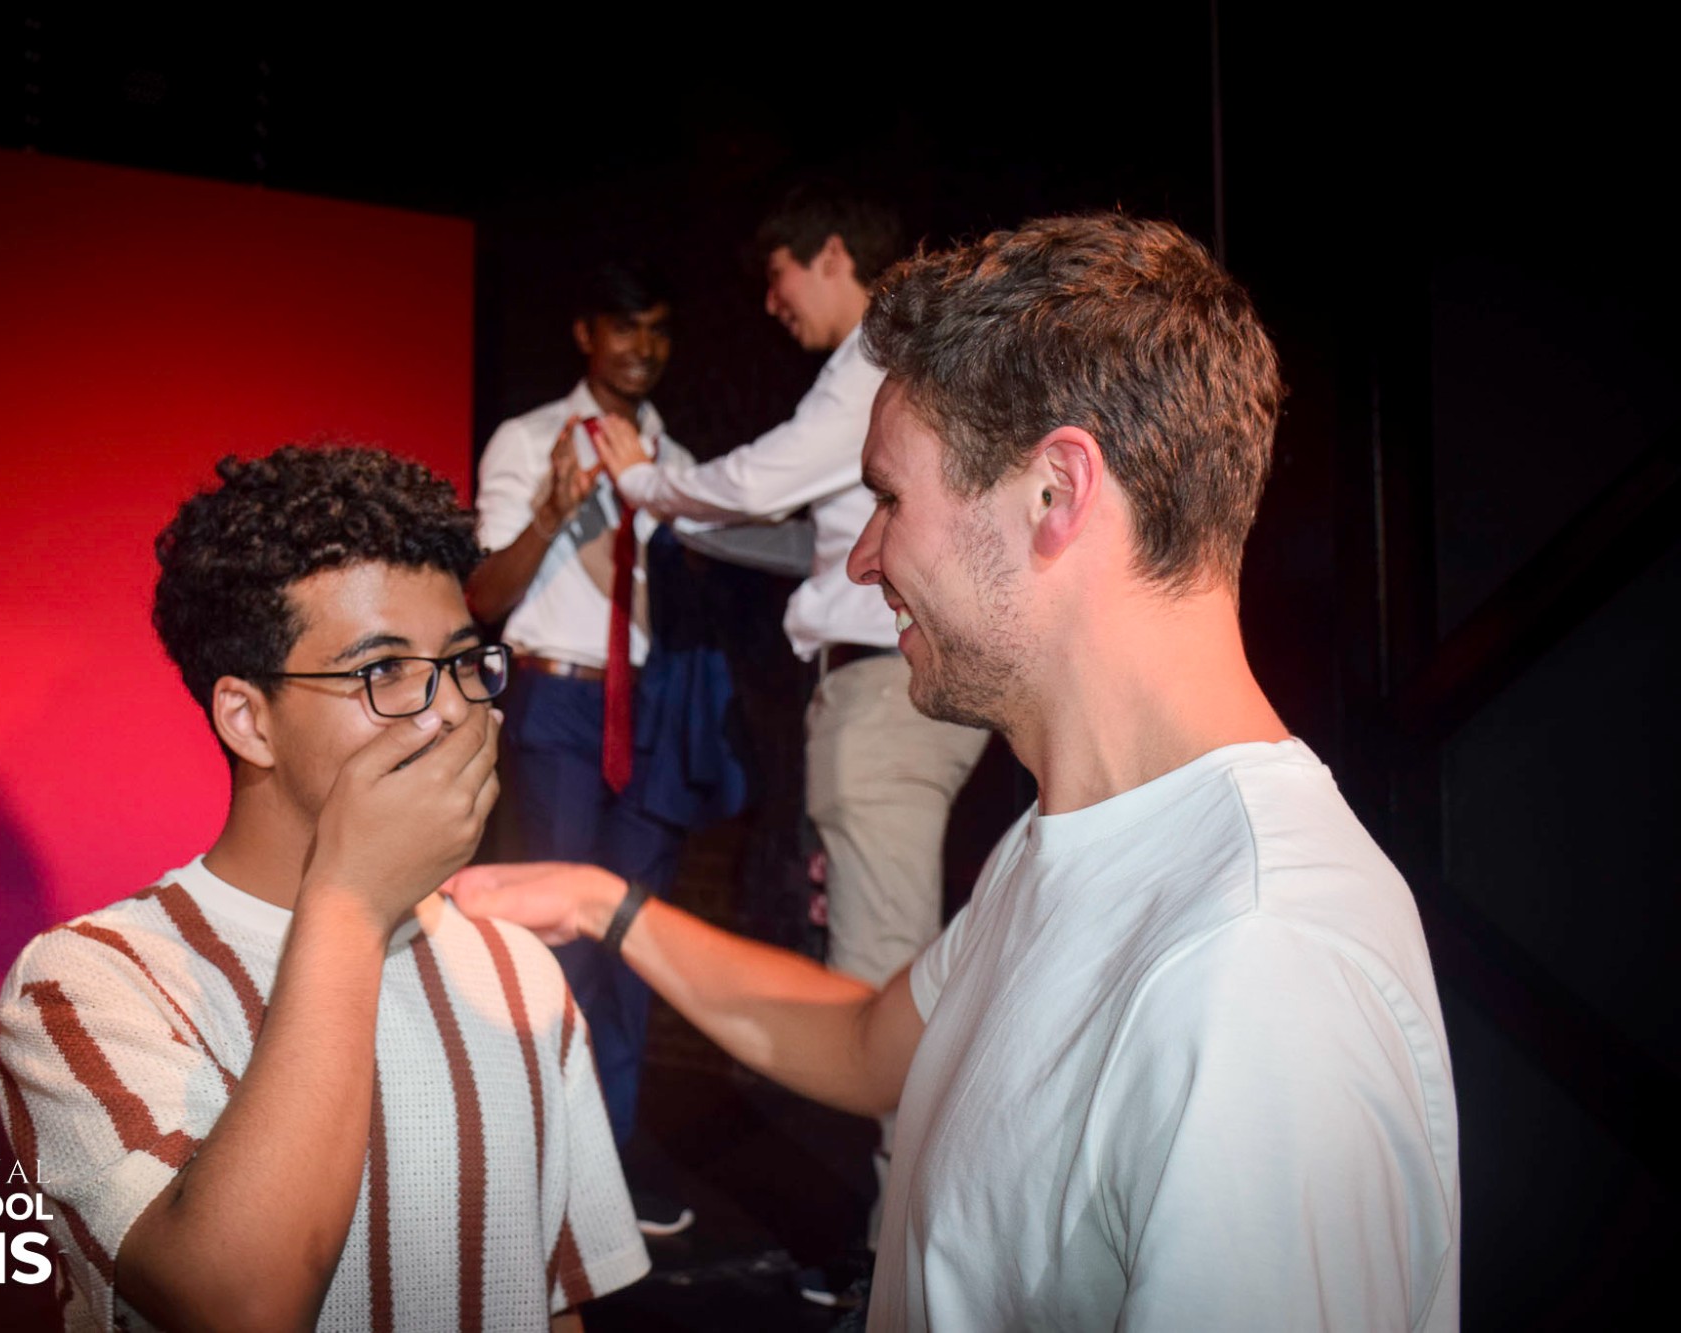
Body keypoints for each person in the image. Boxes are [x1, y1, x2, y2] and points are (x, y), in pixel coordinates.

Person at [450, 215, 1462, 1330]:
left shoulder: (1259, 970)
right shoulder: (1061, 837)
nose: (860, 557)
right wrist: (600, 900)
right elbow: (868, 1045)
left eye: (889, 498)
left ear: (1055, 493)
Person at [0, 445, 646, 1332]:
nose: (453, 709)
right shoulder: (90, 981)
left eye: (463, 661)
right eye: (383, 671)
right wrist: (349, 904)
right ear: (248, 718)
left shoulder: (516, 971)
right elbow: (240, 1303)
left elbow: (551, 1302)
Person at [581, 185, 990, 1268]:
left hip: (881, 698)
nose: (771, 302)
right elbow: (808, 535)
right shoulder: (898, 368)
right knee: (889, 976)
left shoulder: (873, 359)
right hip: (876, 695)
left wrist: (649, 483)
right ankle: (889, 1259)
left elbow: (767, 477)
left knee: (878, 995)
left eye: (778, 275)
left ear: (832, 254)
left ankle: (895, 1274)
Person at [468, 261, 699, 1235]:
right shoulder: (527, 440)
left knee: (633, 938)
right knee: (555, 938)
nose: (642, 347)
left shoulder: (674, 458)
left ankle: (607, 1168)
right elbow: (482, 596)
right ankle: (533, 1168)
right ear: (585, 334)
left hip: (649, 711)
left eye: (658, 328)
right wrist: (554, 510)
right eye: (624, 327)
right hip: (558, 704)